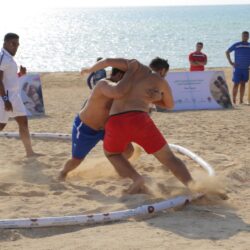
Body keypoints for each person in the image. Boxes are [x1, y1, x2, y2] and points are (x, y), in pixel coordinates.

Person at [82, 57, 193, 193]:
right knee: (170, 159)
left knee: (113, 154)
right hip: (140, 119)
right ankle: (193, 186)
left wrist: (89, 69)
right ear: (163, 70)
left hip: (116, 121)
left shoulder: (134, 67)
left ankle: (137, 178)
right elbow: (170, 105)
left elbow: (107, 61)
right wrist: (156, 99)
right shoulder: (160, 82)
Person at [59, 62, 156, 191]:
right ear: (120, 75)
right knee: (76, 160)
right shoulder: (104, 84)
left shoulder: (124, 90)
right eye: (128, 78)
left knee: (128, 151)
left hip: (106, 128)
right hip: (86, 128)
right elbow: (117, 94)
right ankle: (63, 172)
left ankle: (117, 168)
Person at [0, 33, 40, 157]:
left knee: (23, 122)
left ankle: (30, 152)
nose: (16, 47)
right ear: (5, 43)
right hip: (4, 98)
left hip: (14, 97)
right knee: (1, 126)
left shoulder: (9, 57)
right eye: (13, 44)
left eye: (17, 44)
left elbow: (9, 79)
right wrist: (5, 100)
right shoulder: (2, 57)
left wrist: (20, 75)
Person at [226, 31, 250, 104]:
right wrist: (230, 62)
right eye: (244, 35)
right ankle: (234, 100)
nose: (245, 37)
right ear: (242, 36)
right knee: (236, 84)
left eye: (247, 36)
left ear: (248, 37)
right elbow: (227, 52)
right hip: (238, 68)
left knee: (243, 84)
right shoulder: (237, 45)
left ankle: (241, 100)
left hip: (246, 69)